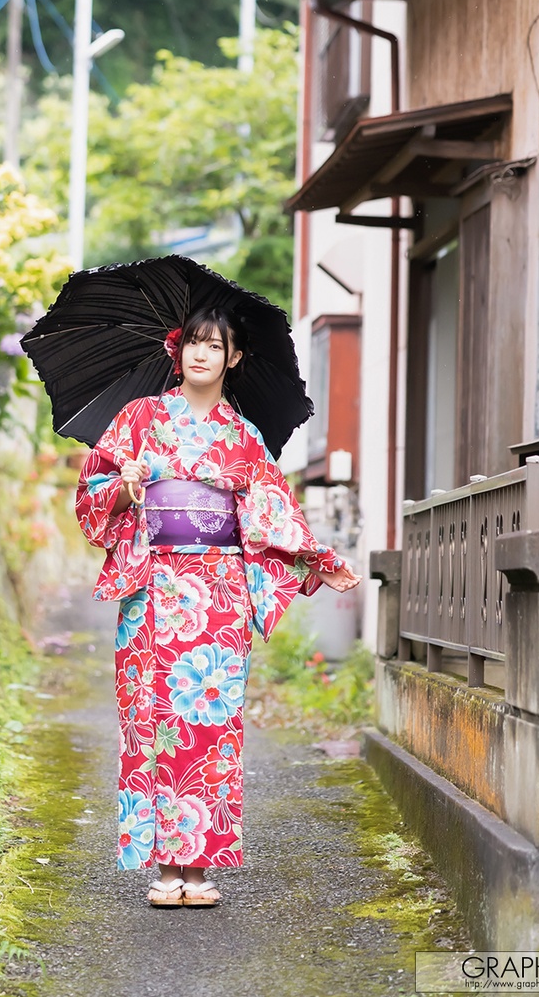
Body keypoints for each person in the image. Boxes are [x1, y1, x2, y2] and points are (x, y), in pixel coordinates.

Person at [75, 303, 360, 908]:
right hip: (153, 587)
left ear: (234, 357)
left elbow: (273, 511)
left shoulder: (244, 437)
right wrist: (124, 487)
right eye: (192, 342)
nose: (200, 354)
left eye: (214, 345)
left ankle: (199, 867)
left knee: (211, 721)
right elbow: (92, 494)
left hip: (218, 592)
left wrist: (317, 559)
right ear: (176, 351)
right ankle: (164, 866)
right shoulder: (139, 418)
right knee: (149, 720)